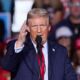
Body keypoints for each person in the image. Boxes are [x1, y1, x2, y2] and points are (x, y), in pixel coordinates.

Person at [1, 8, 77, 80]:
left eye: (42, 26)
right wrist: (20, 41)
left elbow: (71, 77)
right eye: (34, 26)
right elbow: (7, 66)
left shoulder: (60, 51)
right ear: (27, 28)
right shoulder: (17, 48)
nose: (39, 30)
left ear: (49, 28)